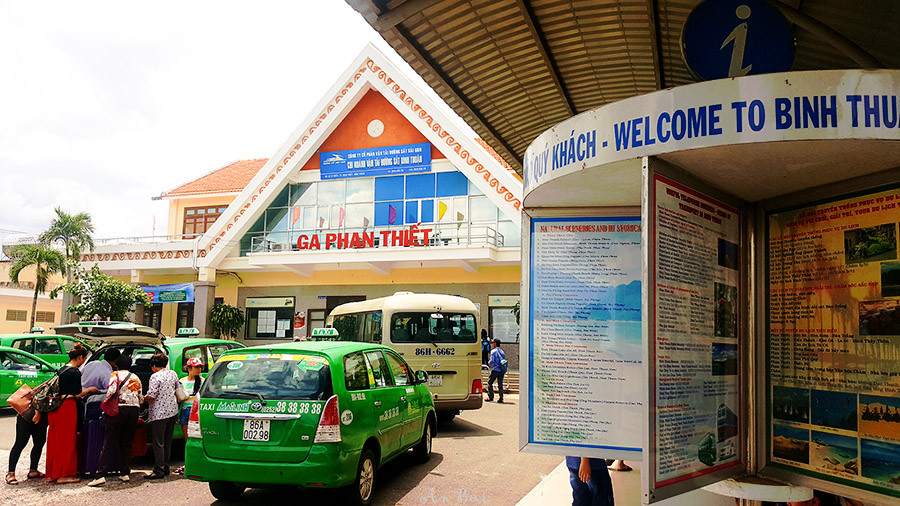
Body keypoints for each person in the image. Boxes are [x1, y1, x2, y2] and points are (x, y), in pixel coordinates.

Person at [88, 356, 143, 487]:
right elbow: (140, 396)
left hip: (118, 410)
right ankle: (125, 472)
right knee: (127, 442)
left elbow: (111, 392)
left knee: (109, 442)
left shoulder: (115, 375)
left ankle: (101, 474)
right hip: (133, 411)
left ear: (116, 365)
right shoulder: (136, 377)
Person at [46, 344, 96, 484]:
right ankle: (65, 474)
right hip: (67, 407)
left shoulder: (61, 370)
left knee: (55, 440)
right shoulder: (74, 372)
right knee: (67, 441)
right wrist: (90, 389)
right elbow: (76, 393)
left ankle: (52, 473)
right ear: (80, 357)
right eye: (84, 359)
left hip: (54, 408)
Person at [143, 353, 180, 480]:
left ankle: (158, 469)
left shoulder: (155, 377)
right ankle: (166, 467)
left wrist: (141, 398)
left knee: (158, 442)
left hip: (160, 412)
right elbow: (177, 388)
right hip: (172, 410)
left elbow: (151, 395)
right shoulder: (172, 374)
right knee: (167, 441)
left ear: (154, 365)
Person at [174, 357, 203, 475]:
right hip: (185, 411)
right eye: (196, 367)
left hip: (197, 411)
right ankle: (189, 464)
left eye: (200, 367)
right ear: (189, 368)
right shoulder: (182, 381)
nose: (199, 369)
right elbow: (179, 399)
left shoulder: (203, 381)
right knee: (188, 440)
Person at [6, 406, 48, 485]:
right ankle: (10, 473)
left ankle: (33, 470)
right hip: (28, 414)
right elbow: (37, 396)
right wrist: (37, 412)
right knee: (20, 443)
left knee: (39, 443)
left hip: (42, 416)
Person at [81, 348, 122, 416]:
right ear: (116, 361)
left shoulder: (91, 363)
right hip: (92, 405)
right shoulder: (107, 374)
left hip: (79, 399)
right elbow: (111, 391)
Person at [486, 338, 505, 403]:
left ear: (495, 344)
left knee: (490, 383)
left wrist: (488, 364)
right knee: (500, 384)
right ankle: (501, 398)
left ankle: (491, 397)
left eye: (493, 343)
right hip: (501, 370)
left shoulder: (493, 352)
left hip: (495, 370)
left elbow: (491, 361)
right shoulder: (502, 352)